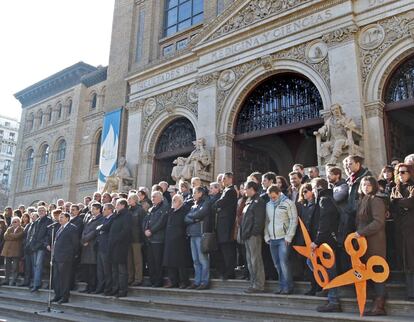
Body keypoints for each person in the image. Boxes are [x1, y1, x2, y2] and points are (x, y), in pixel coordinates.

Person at [355, 176, 387, 315]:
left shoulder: (376, 200)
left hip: (375, 242)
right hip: (363, 243)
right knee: (368, 272)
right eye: (363, 184)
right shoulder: (362, 200)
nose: (366, 187)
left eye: (368, 185)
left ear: (373, 186)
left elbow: (378, 222)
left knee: (377, 272)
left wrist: (361, 232)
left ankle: (379, 305)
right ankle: (374, 303)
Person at [309, 178, 341, 313]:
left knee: (329, 270)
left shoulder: (324, 200)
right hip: (326, 241)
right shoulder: (327, 198)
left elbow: (324, 223)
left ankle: (333, 300)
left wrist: (317, 241)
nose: (312, 191)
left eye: (313, 188)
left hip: (327, 241)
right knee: (313, 263)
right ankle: (327, 287)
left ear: (318, 188)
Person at [265, 184, 298, 294]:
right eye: (270, 197)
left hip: (283, 238)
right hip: (272, 239)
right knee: (277, 264)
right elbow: (267, 221)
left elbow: (293, 220)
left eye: (274, 197)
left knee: (284, 263)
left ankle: (288, 287)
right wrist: (267, 236)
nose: (272, 199)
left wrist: (289, 236)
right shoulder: (268, 204)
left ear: (279, 193)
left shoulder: (288, 203)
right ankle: (282, 286)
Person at [390, 163, 414, 301]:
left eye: (404, 172)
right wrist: (401, 203)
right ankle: (410, 292)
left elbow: (410, 202)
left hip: (411, 227)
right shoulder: (395, 188)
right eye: (399, 172)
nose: (401, 174)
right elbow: (392, 203)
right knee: (405, 259)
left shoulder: (412, 186)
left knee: (411, 258)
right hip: (400, 228)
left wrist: (399, 202)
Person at [241, 181, 266, 293]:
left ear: (252, 189)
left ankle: (259, 284)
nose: (244, 191)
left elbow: (259, 221)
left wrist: (253, 233)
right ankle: (253, 282)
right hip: (246, 235)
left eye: (246, 188)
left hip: (253, 236)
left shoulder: (258, 201)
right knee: (250, 261)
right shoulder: (248, 201)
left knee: (256, 260)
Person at [185, 186, 212, 290]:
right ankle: (197, 281)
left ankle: (204, 281)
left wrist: (193, 217)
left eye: (195, 193)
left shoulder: (206, 202)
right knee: (195, 260)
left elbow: (201, 213)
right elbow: (185, 218)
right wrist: (194, 219)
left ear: (200, 193)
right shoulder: (193, 205)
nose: (193, 195)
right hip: (192, 234)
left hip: (201, 234)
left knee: (203, 259)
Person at [50, 212, 79, 304]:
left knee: (64, 278)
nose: (60, 219)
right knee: (56, 278)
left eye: (62, 217)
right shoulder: (59, 228)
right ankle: (57, 295)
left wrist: (72, 255)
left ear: (67, 218)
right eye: (59, 217)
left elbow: (75, 243)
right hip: (57, 257)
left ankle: (64, 297)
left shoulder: (72, 228)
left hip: (66, 257)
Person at [213, 172, 238, 280]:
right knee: (223, 250)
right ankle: (225, 271)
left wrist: (216, 205)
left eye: (224, 179)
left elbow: (219, 203)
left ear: (230, 179)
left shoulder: (230, 191)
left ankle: (229, 272)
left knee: (228, 251)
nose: (222, 181)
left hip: (227, 226)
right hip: (222, 226)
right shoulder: (226, 191)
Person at [163, 194, 190, 289]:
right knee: (170, 261)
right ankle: (172, 281)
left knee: (180, 262)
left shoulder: (184, 211)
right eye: (173, 200)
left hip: (179, 240)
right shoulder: (170, 211)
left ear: (180, 202)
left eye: (175, 200)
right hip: (169, 240)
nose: (173, 202)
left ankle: (183, 282)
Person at [297, 183, 319, 295]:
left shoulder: (316, 205)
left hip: (313, 239)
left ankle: (317, 286)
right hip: (304, 239)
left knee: (314, 264)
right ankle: (312, 286)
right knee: (307, 264)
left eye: (306, 191)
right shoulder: (304, 206)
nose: (304, 194)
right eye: (302, 192)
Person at [143, 191, 169, 287]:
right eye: (152, 197)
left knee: (157, 261)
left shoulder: (164, 208)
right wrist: (145, 230)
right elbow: (145, 221)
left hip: (158, 239)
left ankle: (158, 281)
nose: (152, 199)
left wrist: (151, 231)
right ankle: (152, 280)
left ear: (160, 198)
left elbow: (161, 222)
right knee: (150, 261)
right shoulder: (151, 209)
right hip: (149, 239)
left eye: (154, 197)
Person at [327, 166, 349, 274]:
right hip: (335, 222)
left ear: (337, 175)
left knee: (344, 249)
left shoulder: (343, 186)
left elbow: (337, 198)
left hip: (343, 221)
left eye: (330, 174)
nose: (328, 176)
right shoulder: (331, 187)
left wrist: (326, 195)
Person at [108, 199, 132, 297]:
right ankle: (115, 289)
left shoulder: (127, 215)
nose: (116, 206)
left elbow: (126, 230)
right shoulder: (116, 215)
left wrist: (116, 239)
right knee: (114, 270)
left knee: (121, 270)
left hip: (121, 245)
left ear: (123, 205)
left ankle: (122, 290)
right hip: (113, 245)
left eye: (117, 205)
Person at [344, 155, 371, 236]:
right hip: (350, 214)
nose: (348, 166)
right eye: (347, 164)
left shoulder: (367, 177)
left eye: (350, 164)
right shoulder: (349, 179)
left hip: (362, 214)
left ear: (358, 164)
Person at [80, 202, 104, 293]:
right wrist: (82, 240)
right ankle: (88, 286)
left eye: (94, 208)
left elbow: (95, 231)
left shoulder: (101, 219)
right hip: (85, 246)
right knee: (86, 268)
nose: (92, 210)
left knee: (92, 268)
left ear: (98, 209)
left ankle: (93, 286)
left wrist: (86, 239)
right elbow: (84, 230)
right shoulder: (89, 218)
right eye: (91, 208)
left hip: (92, 245)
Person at [28, 206, 52, 292]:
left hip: (41, 246)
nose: (41, 212)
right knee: (34, 265)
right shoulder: (36, 221)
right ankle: (35, 282)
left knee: (38, 265)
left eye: (42, 210)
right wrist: (32, 244)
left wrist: (43, 243)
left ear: (46, 212)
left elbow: (48, 235)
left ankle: (36, 284)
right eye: (39, 210)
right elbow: (33, 234)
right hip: (34, 246)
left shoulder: (49, 220)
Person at [95, 203, 115, 295]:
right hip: (100, 246)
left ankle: (108, 288)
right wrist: (100, 228)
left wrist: (101, 228)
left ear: (110, 210)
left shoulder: (112, 218)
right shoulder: (104, 219)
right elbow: (98, 229)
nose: (103, 211)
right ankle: (100, 287)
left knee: (107, 270)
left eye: (105, 209)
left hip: (106, 247)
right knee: (100, 270)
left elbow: (105, 228)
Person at [127, 193, 146, 286]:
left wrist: (142, 239)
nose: (128, 200)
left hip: (137, 239)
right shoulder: (128, 210)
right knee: (129, 260)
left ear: (135, 200)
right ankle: (130, 277)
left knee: (137, 260)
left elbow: (143, 225)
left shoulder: (140, 210)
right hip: (128, 239)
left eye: (130, 199)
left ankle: (138, 278)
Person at [1, 217, 24, 286]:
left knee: (15, 267)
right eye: (13, 222)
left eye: (15, 222)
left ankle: (14, 280)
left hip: (16, 250)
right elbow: (5, 237)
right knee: (7, 266)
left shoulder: (22, 229)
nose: (14, 223)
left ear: (19, 222)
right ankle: (6, 280)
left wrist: (11, 235)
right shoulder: (9, 229)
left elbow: (17, 236)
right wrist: (13, 236)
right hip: (7, 250)